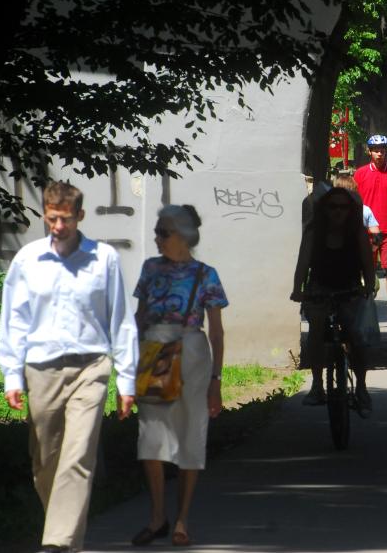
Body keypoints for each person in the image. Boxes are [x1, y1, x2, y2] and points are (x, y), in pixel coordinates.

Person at [0, 181, 137, 553]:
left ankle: (57, 542)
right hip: (40, 370)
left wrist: (127, 380)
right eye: (52, 218)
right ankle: (66, 534)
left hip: (91, 368)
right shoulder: (28, 260)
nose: (58, 226)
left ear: (80, 216)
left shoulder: (103, 258)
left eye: (66, 219)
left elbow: (120, 321)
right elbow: (13, 320)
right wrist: (12, 374)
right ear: (45, 214)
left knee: (78, 456)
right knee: (45, 461)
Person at [132, 205, 229, 547]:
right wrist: (128, 368)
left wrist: (217, 382)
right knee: (152, 437)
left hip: (192, 353)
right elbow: (138, 319)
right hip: (155, 350)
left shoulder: (207, 275)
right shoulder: (150, 269)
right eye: (157, 232)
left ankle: (182, 518)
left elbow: (216, 332)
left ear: (183, 236)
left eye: (163, 232)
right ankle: (158, 516)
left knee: (191, 435)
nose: (157, 239)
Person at [291, 187, 377, 412]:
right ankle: (317, 385)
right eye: (332, 207)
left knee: (356, 336)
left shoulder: (356, 233)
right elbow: (303, 263)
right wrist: (297, 289)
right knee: (316, 331)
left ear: (351, 210)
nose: (338, 211)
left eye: (343, 207)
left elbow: (368, 263)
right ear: (324, 210)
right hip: (319, 288)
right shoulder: (314, 233)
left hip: (349, 289)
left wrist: (369, 285)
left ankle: (361, 386)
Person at [354, 134, 387, 323]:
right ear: (369, 151)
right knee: (363, 268)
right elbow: (354, 200)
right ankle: (364, 300)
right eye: (376, 150)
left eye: (382, 149)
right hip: (365, 229)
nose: (379, 153)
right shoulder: (360, 173)